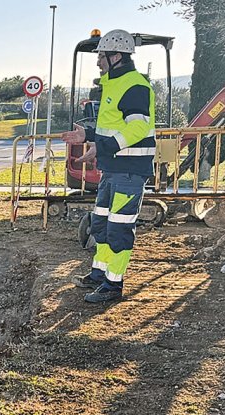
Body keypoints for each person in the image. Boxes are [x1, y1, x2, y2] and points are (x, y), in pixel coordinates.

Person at [62, 29, 156, 303]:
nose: (98, 61)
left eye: (101, 56)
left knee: (118, 229)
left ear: (117, 56)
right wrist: (89, 138)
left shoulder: (134, 85)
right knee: (101, 223)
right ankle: (99, 274)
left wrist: (102, 146)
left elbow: (138, 128)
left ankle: (113, 285)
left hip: (129, 171)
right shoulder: (114, 83)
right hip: (112, 168)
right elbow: (114, 128)